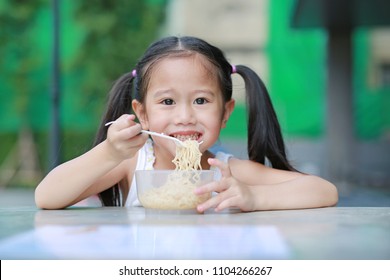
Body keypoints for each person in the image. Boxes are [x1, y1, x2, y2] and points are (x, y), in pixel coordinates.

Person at [35, 36, 338, 211]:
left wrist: (255, 196)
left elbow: (324, 191)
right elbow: (46, 197)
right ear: (143, 114)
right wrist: (110, 153)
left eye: (201, 101)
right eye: (167, 102)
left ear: (226, 113)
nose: (185, 116)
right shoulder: (132, 164)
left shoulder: (226, 171)